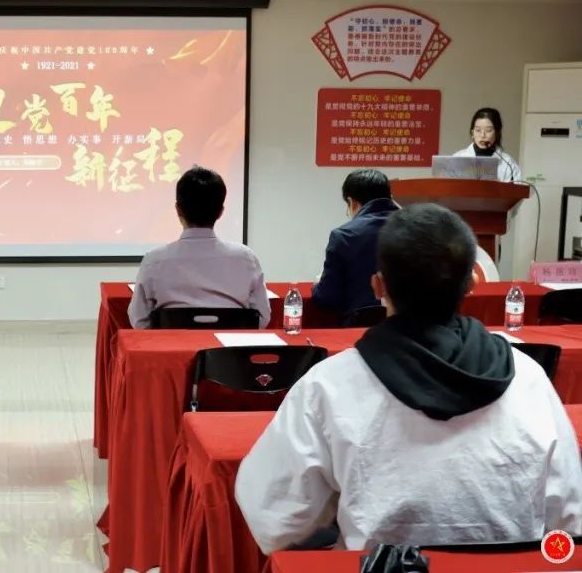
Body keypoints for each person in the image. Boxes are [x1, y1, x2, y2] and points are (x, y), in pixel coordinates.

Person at [234, 203, 582, 553]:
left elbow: (273, 519)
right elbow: (571, 517)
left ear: (378, 285)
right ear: (472, 283)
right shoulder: (530, 379)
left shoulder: (329, 385)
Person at [129, 166, 270, 329]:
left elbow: (139, 321)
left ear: (178, 210)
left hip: (173, 346)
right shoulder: (246, 258)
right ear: (221, 212)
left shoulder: (154, 260)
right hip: (229, 346)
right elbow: (262, 317)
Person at [310, 169, 398, 321]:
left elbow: (327, 297)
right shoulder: (416, 229)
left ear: (352, 203)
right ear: (390, 197)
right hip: (416, 327)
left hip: (359, 326)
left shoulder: (344, 235)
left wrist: (316, 287)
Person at [452, 107, 522, 182]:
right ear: (472, 133)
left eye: (488, 130)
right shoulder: (457, 158)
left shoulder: (508, 163)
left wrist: (499, 186)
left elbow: (520, 187)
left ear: (497, 133)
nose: (482, 135)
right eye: (478, 130)